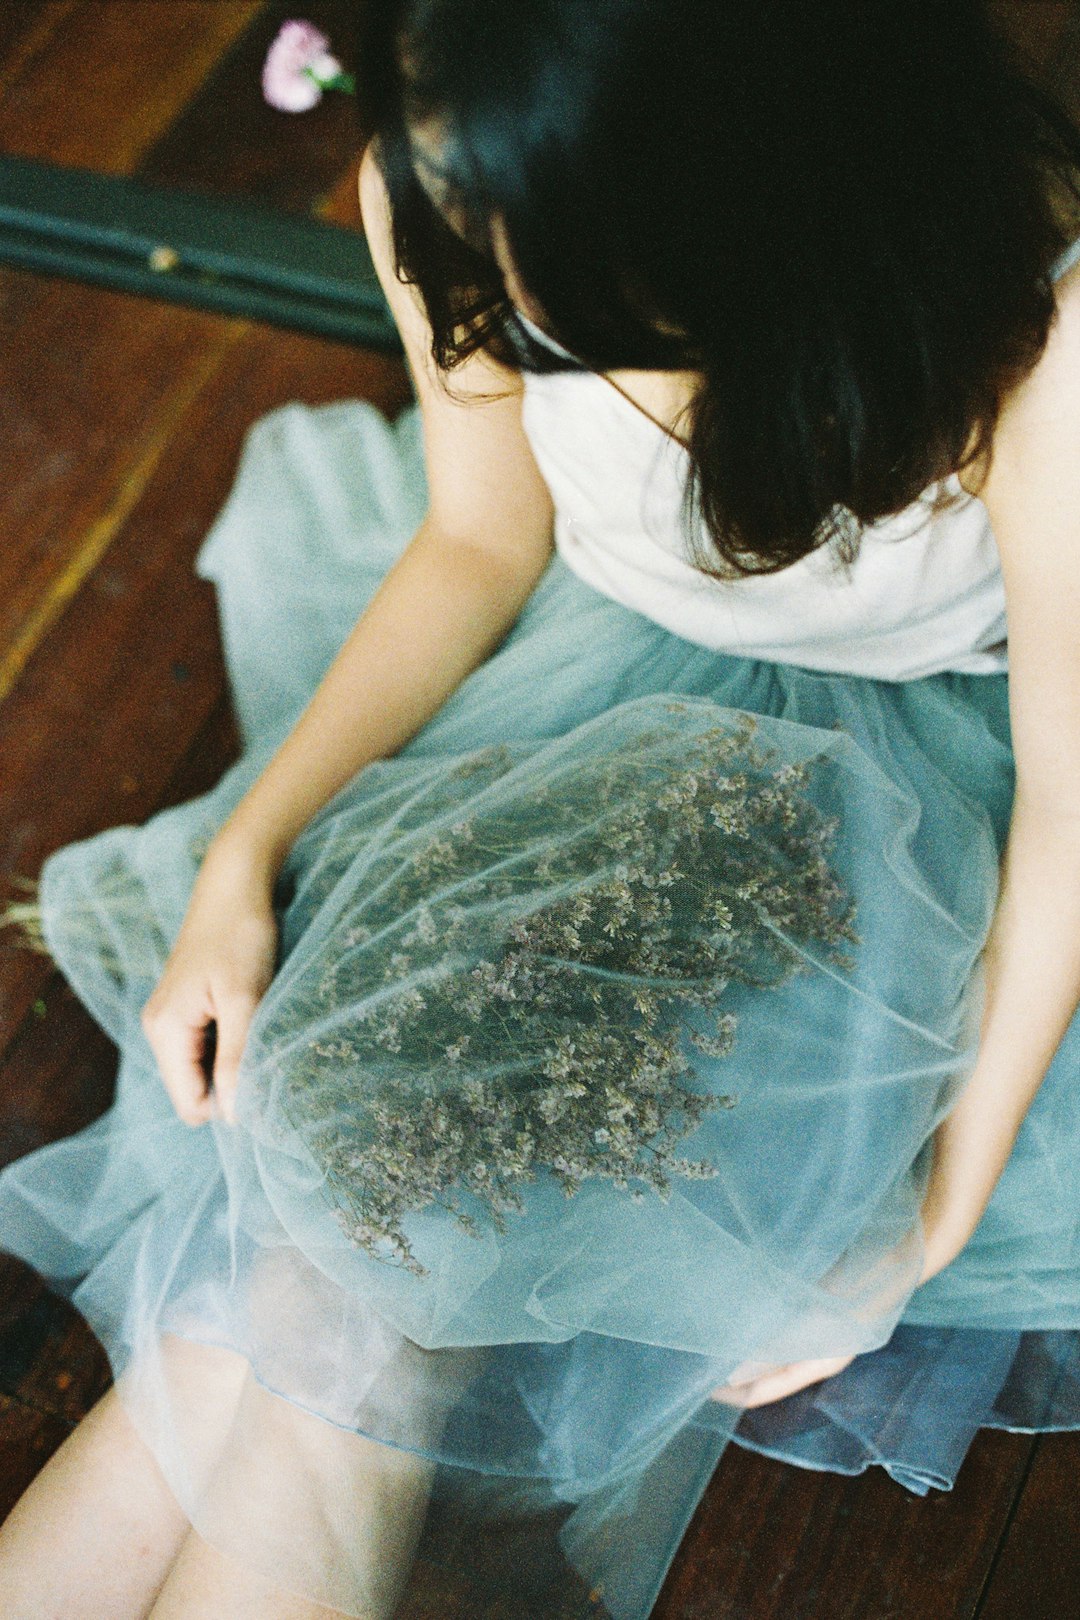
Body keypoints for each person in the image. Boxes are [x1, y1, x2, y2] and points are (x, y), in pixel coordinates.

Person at [2, 1, 1080, 1616]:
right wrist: (250, 847)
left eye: (577, 318)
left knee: (341, 1288)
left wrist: (925, 1224)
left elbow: (1071, 800)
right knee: (344, 1252)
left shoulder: (1034, 334)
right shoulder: (445, 178)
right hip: (582, 697)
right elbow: (474, 541)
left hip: (907, 816)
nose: (498, 307)